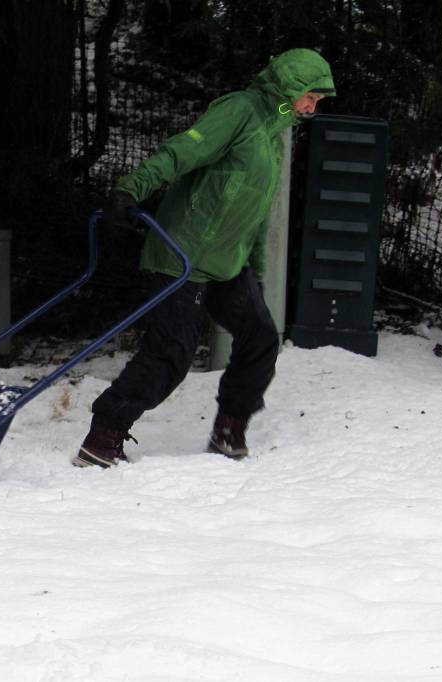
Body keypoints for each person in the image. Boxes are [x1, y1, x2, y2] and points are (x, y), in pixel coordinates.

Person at [74, 48, 335, 468]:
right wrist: (132, 188)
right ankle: (103, 435)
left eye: (317, 101)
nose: (311, 106)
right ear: (288, 85)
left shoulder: (274, 131)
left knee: (260, 337)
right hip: (182, 252)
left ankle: (229, 428)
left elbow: (257, 212)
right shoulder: (240, 111)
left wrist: (258, 273)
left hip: (228, 262)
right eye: (310, 96)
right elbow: (184, 150)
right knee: (171, 353)